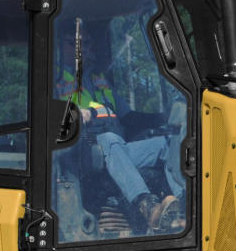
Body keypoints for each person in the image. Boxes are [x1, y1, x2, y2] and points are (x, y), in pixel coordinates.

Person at [55, 24, 181, 234]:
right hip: (79, 155)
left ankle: (181, 207)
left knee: (166, 145)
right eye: (74, 44)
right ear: (59, 47)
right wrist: (83, 114)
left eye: (85, 44)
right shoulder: (56, 82)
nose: (82, 50)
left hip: (116, 151)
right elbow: (54, 120)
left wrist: (161, 118)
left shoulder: (98, 81)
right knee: (108, 138)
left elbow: (128, 118)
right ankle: (147, 206)